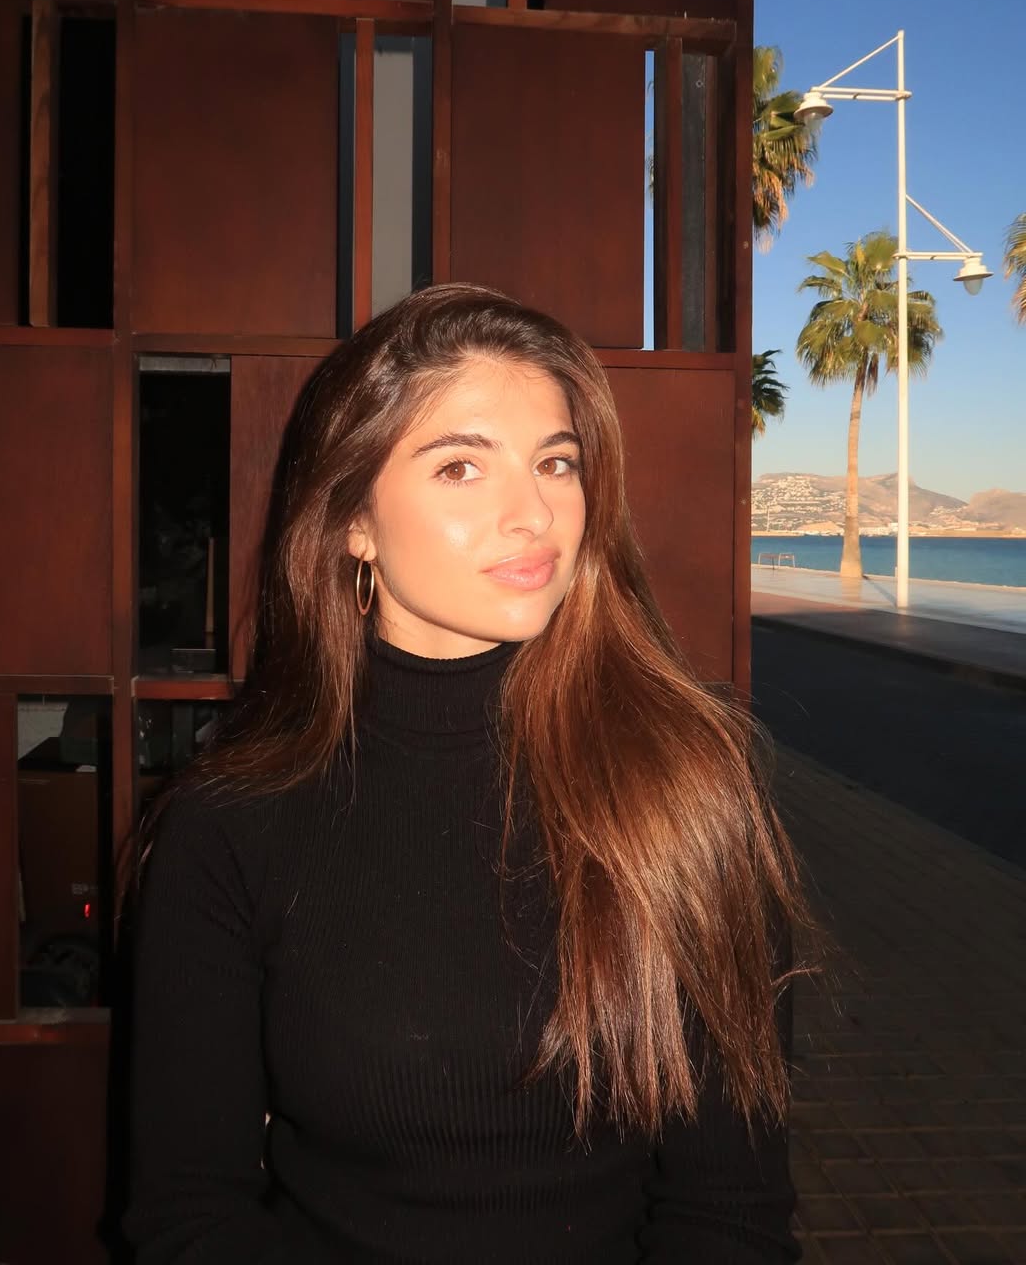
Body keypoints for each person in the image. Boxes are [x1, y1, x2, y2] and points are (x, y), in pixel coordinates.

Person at [122, 283, 813, 1263]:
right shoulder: (232, 822)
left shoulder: (687, 785)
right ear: (353, 519)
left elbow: (731, 1211)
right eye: (460, 467)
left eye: (556, 463)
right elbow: (188, 1213)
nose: (534, 515)